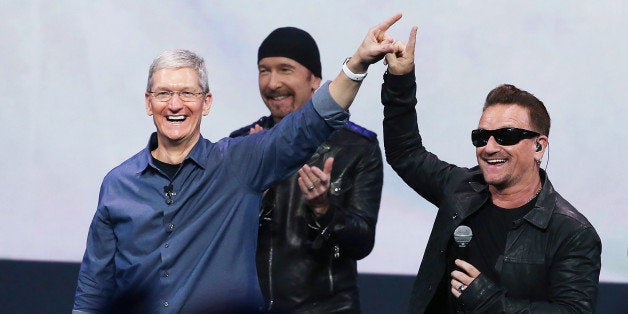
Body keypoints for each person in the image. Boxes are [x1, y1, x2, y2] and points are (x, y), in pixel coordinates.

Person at [72, 13, 405, 313]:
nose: (175, 105)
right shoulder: (118, 183)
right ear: (148, 103)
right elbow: (94, 288)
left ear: (207, 102)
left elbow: (314, 121)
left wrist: (357, 63)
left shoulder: (239, 162)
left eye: (187, 93)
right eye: (163, 94)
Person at [381, 28, 602, 313]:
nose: (489, 147)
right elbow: (406, 153)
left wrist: (489, 302)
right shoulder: (461, 188)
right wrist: (400, 80)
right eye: (481, 137)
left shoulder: (572, 232)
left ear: (538, 146)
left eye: (507, 135)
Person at [230, 27, 383, 313]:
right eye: (264, 71)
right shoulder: (241, 145)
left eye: (284, 69)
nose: (272, 83)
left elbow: (362, 242)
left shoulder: (356, 147)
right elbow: (222, 241)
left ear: (315, 80)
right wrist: (251, 191)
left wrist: (324, 209)